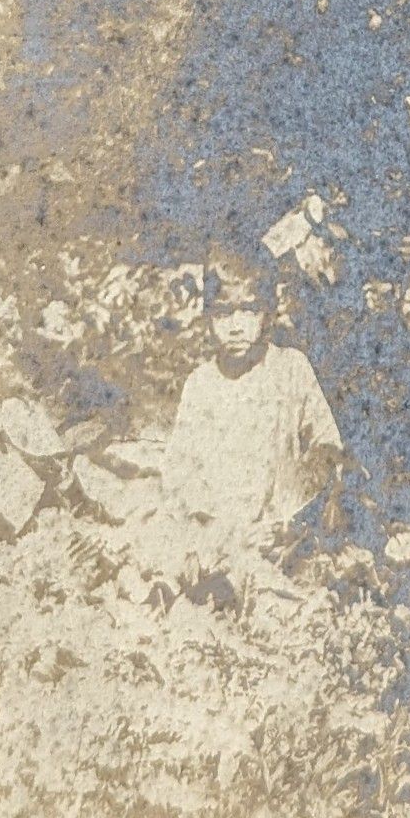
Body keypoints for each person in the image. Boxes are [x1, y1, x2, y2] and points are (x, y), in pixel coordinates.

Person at [146, 250, 344, 610]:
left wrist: (289, 518)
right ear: (208, 315)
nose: (236, 326)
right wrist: (214, 527)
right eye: (223, 313)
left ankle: (256, 591)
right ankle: (191, 583)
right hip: (217, 528)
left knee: (281, 576)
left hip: (277, 528)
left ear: (267, 312)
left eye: (249, 310)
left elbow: (326, 448)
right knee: (168, 543)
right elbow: (179, 473)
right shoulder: (202, 382)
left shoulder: (290, 369)